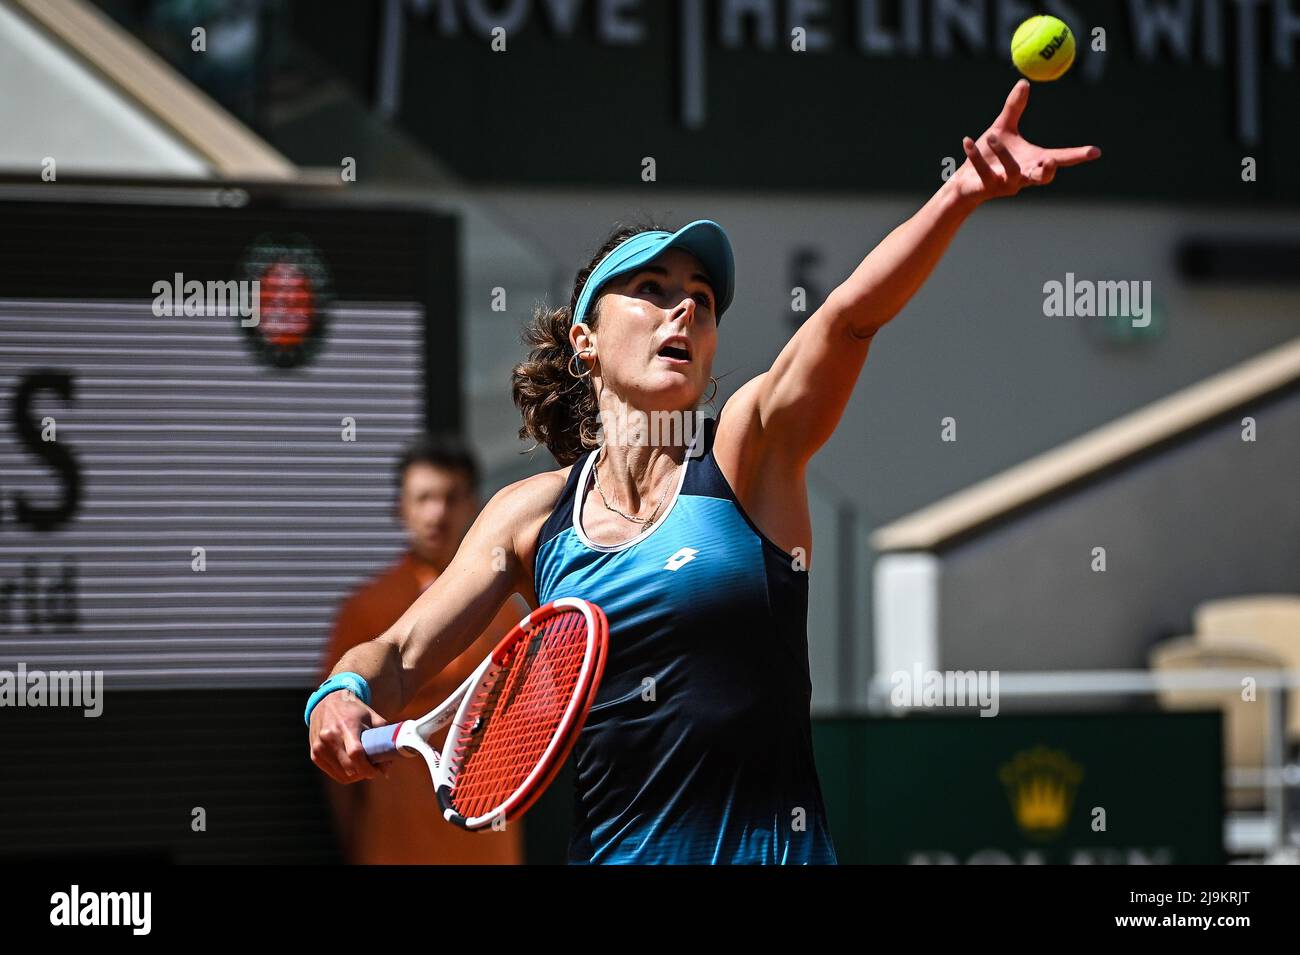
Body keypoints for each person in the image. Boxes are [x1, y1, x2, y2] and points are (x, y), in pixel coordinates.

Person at [307, 80, 1100, 863]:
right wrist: (340, 695)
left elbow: (850, 318)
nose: (684, 309)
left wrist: (959, 194)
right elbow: (399, 652)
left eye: (702, 300)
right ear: (584, 339)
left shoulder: (750, 453)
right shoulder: (529, 517)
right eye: (651, 292)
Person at [320, 434, 525, 864]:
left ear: (473, 505)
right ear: (401, 507)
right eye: (424, 498)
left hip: (487, 844)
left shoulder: (507, 613)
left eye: (450, 498)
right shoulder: (365, 609)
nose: (437, 513)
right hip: (393, 848)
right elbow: (335, 751)